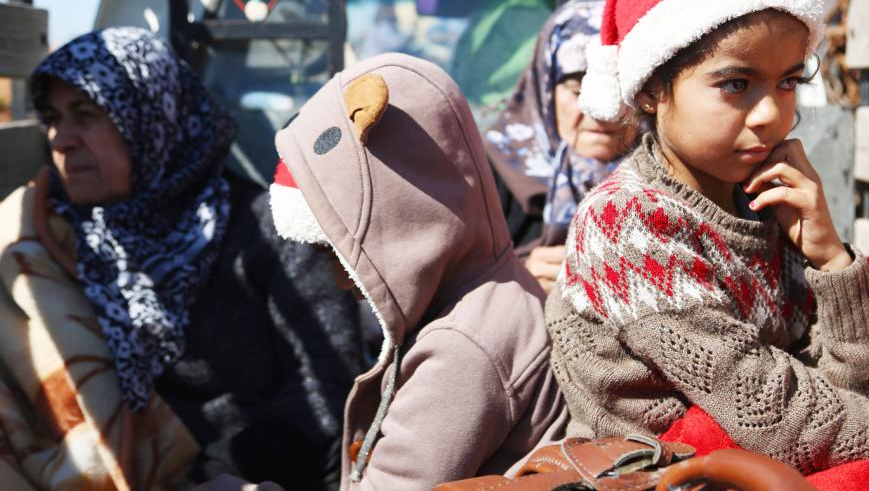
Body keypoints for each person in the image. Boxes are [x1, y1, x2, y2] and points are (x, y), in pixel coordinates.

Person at [544, 0, 869, 474]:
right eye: (736, 84)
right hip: (656, 473)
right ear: (650, 90)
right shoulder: (627, 223)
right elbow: (776, 417)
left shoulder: (763, 202)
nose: (770, 115)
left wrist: (832, 259)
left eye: (787, 81)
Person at [0, 27, 364, 490]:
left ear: (152, 118)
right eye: (52, 117)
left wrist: (201, 471)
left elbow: (328, 395)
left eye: (86, 113)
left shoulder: (267, 232)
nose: (61, 138)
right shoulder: (46, 241)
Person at [268, 52, 567, 490]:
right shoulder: (484, 293)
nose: (338, 278)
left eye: (343, 254)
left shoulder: (461, 350)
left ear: (405, 217)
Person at [484, 0, 638, 292]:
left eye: (620, 91)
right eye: (578, 89)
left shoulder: (672, 180)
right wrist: (518, 282)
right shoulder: (489, 177)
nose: (601, 110)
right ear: (545, 91)